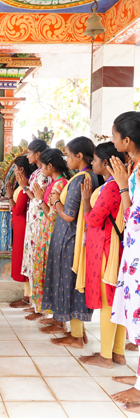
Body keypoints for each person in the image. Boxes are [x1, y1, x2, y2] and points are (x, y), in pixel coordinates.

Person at [42, 136, 99, 348]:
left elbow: (68, 215)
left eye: (68, 155)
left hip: (69, 240)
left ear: (79, 155)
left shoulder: (80, 179)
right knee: (73, 284)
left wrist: (56, 200)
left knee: (70, 285)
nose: (66, 160)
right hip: (73, 238)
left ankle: (76, 337)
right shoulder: (90, 177)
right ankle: (79, 333)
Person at [78, 142, 127, 369]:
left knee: (109, 302)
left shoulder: (111, 188)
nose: (92, 163)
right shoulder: (119, 185)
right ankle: (118, 352)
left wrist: (86, 201)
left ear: (106, 163)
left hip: (107, 249)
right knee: (118, 301)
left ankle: (106, 356)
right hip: (114, 247)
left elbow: (94, 219)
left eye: (95, 159)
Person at [104, 112, 140, 413]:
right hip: (133, 251)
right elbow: (131, 216)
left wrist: (123, 185)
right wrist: (124, 183)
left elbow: (134, 216)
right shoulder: (135, 168)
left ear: (127, 140)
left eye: (115, 135)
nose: (112, 140)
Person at [13, 139, 51, 320]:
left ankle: (41, 308)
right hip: (33, 221)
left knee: (39, 264)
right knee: (33, 262)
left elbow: (40, 199)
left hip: (41, 220)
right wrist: (24, 187)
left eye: (29, 152)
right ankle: (35, 303)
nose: (27, 155)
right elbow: (33, 197)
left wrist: (25, 188)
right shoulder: (36, 173)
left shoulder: (44, 174)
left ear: (38, 154)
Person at [31, 148, 69, 322]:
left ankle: (57, 318)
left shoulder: (60, 184)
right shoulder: (54, 182)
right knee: (46, 272)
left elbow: (53, 215)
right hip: (46, 232)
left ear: (50, 166)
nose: (42, 169)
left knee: (52, 274)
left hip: (52, 233)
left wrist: (40, 199)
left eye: (43, 166)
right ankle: (51, 313)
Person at [6, 156, 36, 309]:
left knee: (25, 259)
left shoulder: (26, 186)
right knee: (22, 259)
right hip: (19, 225)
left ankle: (29, 297)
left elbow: (17, 210)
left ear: (21, 169)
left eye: (15, 168)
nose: (14, 170)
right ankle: (27, 295)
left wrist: (10, 196)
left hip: (23, 226)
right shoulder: (22, 185)